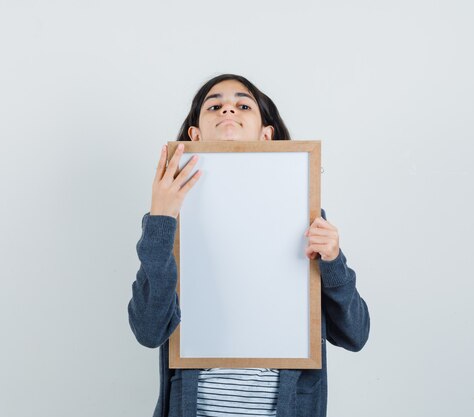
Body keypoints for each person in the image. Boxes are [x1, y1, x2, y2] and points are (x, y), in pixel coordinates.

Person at [127, 74, 370, 417]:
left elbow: (355, 334)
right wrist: (161, 220)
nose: (228, 108)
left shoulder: (306, 216)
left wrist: (333, 261)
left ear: (266, 134)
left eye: (243, 104)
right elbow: (149, 330)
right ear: (195, 135)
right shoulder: (169, 221)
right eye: (214, 105)